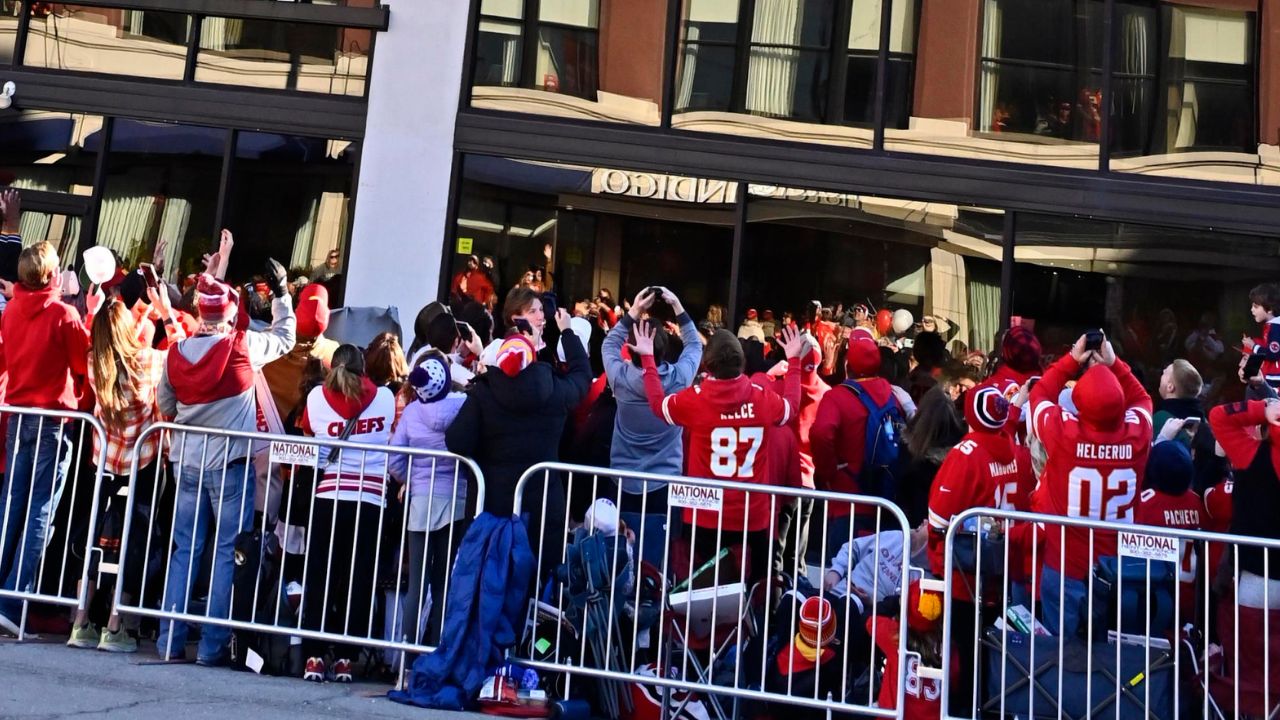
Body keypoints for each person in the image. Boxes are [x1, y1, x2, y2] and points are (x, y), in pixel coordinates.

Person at [155, 265, 295, 664]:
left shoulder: (176, 353)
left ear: (200, 313)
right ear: (227, 314)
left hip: (186, 463)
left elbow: (167, 405)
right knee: (224, 553)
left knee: (185, 550)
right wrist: (282, 293)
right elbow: (286, 336)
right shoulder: (242, 346)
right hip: (230, 463)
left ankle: (169, 640)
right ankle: (212, 648)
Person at [633, 323, 805, 584]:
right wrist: (793, 362)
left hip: (706, 516)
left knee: (703, 596)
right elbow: (791, 406)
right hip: (752, 517)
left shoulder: (696, 399)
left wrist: (648, 357)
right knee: (752, 595)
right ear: (742, 362)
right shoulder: (762, 398)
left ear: (707, 365)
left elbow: (657, 405)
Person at [68, 292, 184, 652]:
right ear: (126, 330)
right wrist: (164, 312)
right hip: (143, 460)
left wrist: (139, 309)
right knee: (135, 540)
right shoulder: (148, 361)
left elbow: (111, 342)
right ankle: (116, 626)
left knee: (91, 538)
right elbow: (183, 351)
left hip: (104, 459)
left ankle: (80, 622)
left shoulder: (94, 362)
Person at [445, 305, 589, 577]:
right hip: (542, 508)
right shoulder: (555, 388)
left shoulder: (483, 393)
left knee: (490, 588)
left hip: (492, 509)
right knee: (538, 590)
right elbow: (582, 377)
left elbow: (457, 441)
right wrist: (568, 332)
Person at [1028, 333, 1152, 639]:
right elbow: (1143, 400)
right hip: (1117, 567)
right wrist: (1114, 363)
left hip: (1066, 563)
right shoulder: (1137, 432)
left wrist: (1071, 360)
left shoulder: (1064, 431)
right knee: (1111, 660)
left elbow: (1039, 395)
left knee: (1060, 659)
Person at [0, 241, 89, 635]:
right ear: (53, 276)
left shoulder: (12, 310)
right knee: (40, 510)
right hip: (53, 418)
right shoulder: (64, 315)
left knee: (11, 504)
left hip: (19, 415)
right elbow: (83, 366)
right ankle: (13, 598)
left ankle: (7, 595)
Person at [926, 385, 1027, 715]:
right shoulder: (1013, 447)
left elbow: (938, 518)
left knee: (966, 657)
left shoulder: (966, 453)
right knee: (991, 654)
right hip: (1002, 570)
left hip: (964, 576)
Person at [298, 343, 394, 682]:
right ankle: (345, 659)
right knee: (359, 581)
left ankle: (313, 655)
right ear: (363, 369)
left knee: (320, 577)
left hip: (330, 495)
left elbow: (310, 433)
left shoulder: (315, 399)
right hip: (370, 499)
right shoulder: (385, 397)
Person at [601, 287, 702, 511]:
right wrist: (677, 306)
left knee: (621, 545)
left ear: (631, 349)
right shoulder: (679, 378)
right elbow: (695, 345)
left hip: (622, 479)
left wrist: (635, 311)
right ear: (664, 348)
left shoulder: (619, 377)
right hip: (664, 482)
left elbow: (609, 344)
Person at [811, 337, 905, 544]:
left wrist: (828, 472)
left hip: (847, 497)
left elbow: (821, 433)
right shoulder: (893, 395)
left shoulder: (837, 397)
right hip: (885, 498)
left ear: (847, 365)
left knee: (840, 569)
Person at [1208, 397, 1280, 609]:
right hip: (1257, 572)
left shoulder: (1251, 453)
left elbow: (1219, 416)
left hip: (1256, 575)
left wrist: (1262, 409)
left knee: (1249, 640)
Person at [870, 580, 949, 720]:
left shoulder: (893, 634)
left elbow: (869, 619)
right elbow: (954, 683)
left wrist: (896, 602)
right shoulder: (950, 649)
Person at [262, 283, 338, 424]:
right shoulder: (335, 354)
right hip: (311, 436)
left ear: (296, 310)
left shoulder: (267, 346)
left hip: (265, 437)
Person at [1152, 358, 1223, 492]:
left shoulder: (1159, 420)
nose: (1161, 373)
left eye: (1165, 372)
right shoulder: (1206, 424)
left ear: (1170, 387)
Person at [1243, 283, 1280, 389]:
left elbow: (1273, 354)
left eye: (1256, 306)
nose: (1252, 310)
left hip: (1276, 380)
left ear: (1269, 309)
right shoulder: (1271, 326)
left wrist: (1253, 346)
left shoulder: (1276, 327)